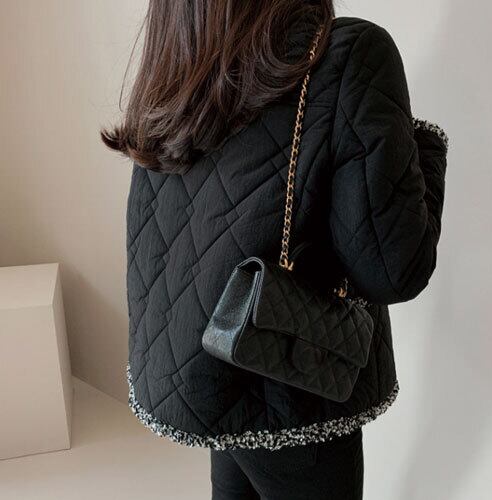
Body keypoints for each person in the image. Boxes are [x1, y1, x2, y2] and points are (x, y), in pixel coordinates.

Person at [102, 1, 448, 499]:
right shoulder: (348, 54)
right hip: (290, 375)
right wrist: (426, 153)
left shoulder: (180, 59)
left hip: (207, 357)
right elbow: (396, 270)